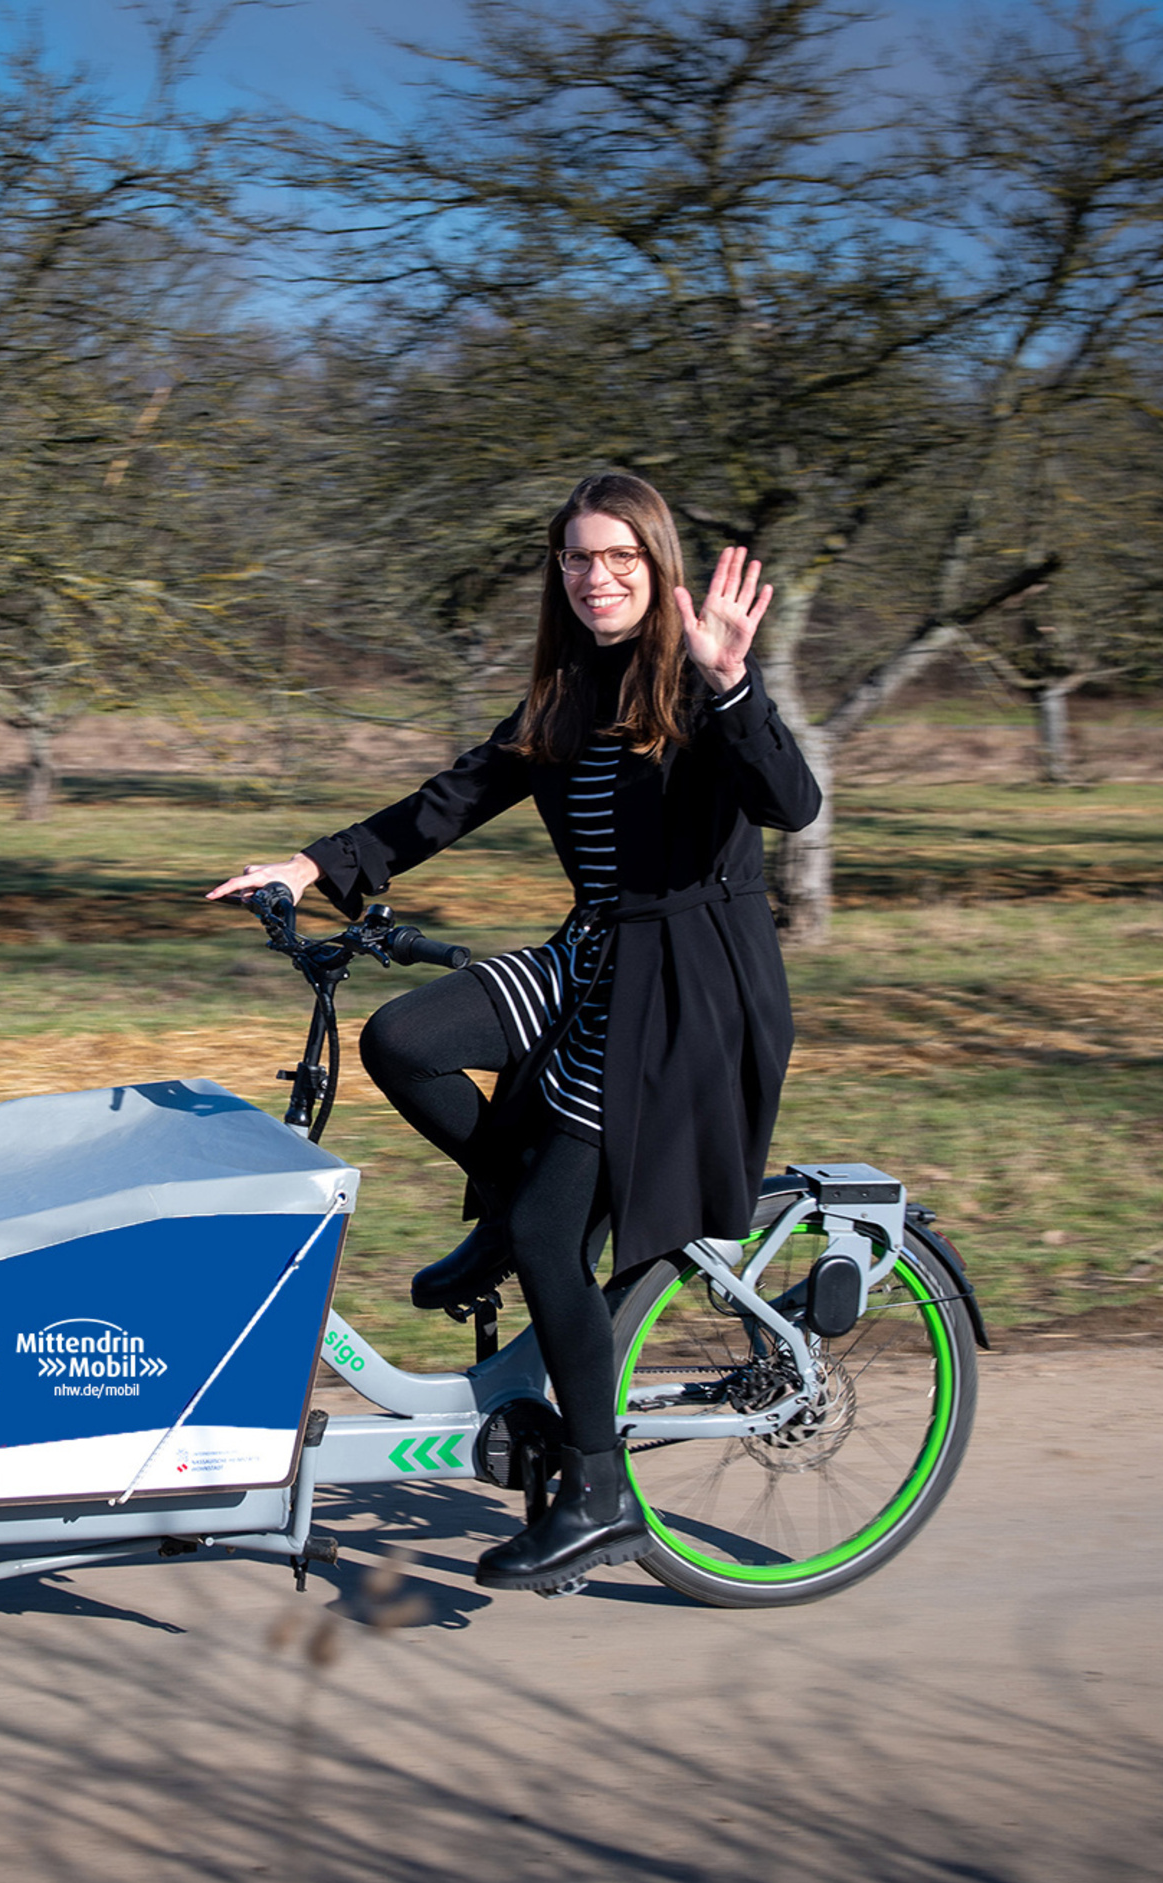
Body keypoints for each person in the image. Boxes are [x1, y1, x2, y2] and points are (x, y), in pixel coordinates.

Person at [206, 471, 822, 1593]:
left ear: (657, 564)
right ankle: (507, 1216)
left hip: (688, 987)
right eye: (579, 559)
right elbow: (451, 797)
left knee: (553, 1233)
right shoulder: (565, 696)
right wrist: (310, 866)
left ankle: (597, 1493)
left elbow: (792, 803)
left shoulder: (702, 681)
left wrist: (734, 682)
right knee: (406, 1040)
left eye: (620, 558)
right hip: (598, 951)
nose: (597, 578)